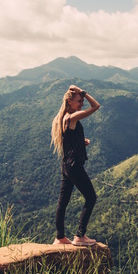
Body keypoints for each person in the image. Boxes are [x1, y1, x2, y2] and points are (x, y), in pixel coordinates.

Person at [50, 85, 100, 246]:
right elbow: (96, 106)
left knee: (63, 201)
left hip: (66, 164)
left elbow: (69, 141)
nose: (82, 104)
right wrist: (83, 91)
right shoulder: (72, 117)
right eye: (79, 101)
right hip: (74, 165)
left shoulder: (63, 117)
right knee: (91, 197)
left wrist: (80, 143)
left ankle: (60, 237)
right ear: (69, 101)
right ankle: (79, 236)